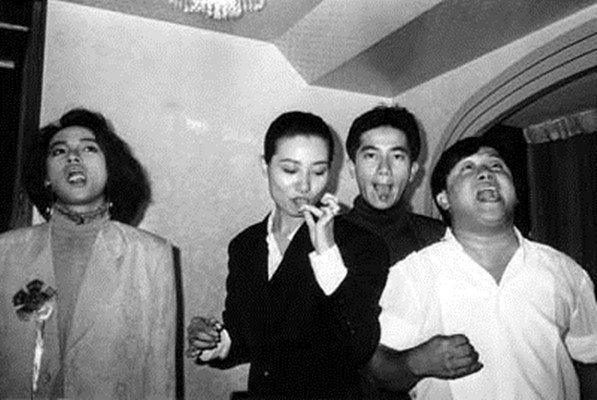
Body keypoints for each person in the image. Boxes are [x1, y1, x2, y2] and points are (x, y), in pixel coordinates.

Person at [368, 136, 597, 399]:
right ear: (444, 199)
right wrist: (414, 362)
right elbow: (377, 367)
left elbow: (590, 357)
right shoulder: (414, 275)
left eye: (496, 166)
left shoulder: (565, 271)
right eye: (468, 168)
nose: (486, 173)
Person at [187, 111, 389, 398]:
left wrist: (327, 253)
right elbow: (246, 336)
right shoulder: (245, 246)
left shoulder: (361, 245)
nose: (305, 186)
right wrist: (217, 342)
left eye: (318, 172)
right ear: (265, 166)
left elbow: (358, 347)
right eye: (291, 170)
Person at [0, 108, 176, 398]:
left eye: (89, 148)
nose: (72, 157)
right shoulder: (6, 252)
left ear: (111, 170)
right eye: (59, 151)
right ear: (45, 177)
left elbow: (160, 377)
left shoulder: (152, 256)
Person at [344, 104, 445, 265]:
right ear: (352, 167)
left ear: (412, 171)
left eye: (397, 156)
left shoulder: (438, 240)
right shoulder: (325, 238)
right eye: (371, 155)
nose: (384, 169)